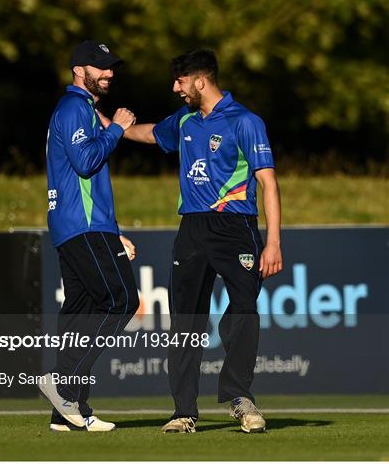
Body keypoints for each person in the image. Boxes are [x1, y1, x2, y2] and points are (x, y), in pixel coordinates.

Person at [99, 49, 282, 434]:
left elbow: (267, 182)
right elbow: (148, 132)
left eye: (180, 82)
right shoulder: (184, 119)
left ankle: (239, 396)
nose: (175, 88)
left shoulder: (245, 121)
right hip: (192, 231)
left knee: (245, 308)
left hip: (237, 228)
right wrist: (105, 123)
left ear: (200, 81)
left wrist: (274, 241)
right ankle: (184, 412)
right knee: (185, 320)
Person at [39, 40, 140, 432]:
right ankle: (63, 385)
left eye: (112, 66)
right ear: (79, 70)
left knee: (80, 309)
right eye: (101, 67)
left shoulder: (76, 109)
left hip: (76, 223)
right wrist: (117, 128)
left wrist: (115, 232)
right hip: (82, 224)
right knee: (121, 300)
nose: (110, 73)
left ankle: (66, 412)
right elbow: (84, 163)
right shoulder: (76, 108)